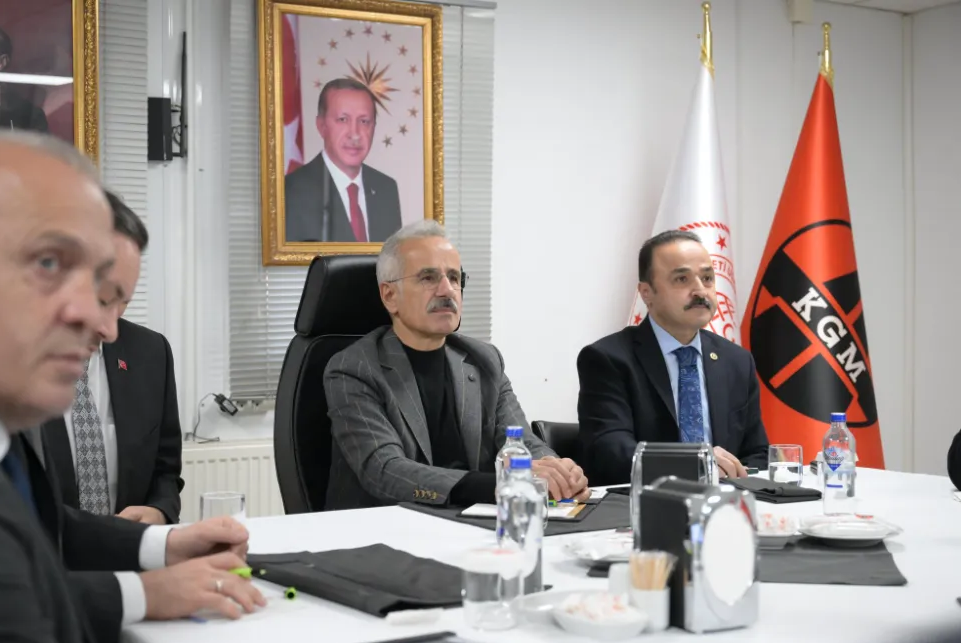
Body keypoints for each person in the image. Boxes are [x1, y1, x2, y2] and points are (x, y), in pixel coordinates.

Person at [0, 131, 263, 643]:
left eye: (103, 289)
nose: (96, 320)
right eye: (48, 263)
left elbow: (29, 560)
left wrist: (159, 549)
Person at [324, 221, 589, 510]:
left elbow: (521, 442)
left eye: (454, 277)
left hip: (471, 521)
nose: (447, 290)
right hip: (385, 524)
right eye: (428, 278)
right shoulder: (354, 369)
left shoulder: (484, 360)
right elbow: (385, 470)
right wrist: (500, 485)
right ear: (389, 296)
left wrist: (555, 470)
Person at [576, 230, 769, 486]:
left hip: (725, 502)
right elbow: (610, 453)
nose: (700, 291)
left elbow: (757, 454)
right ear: (647, 293)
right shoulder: (608, 359)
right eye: (682, 279)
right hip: (645, 503)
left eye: (707, 278)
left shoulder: (737, 361)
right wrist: (693, 465)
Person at [41, 191, 184, 524]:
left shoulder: (151, 353)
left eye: (123, 303)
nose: (110, 329)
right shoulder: (2, 373)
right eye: (103, 300)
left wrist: (160, 512)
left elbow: (165, 470)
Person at [284, 77, 401, 243]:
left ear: (373, 127)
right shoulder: (291, 192)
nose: (355, 134)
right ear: (321, 126)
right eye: (343, 120)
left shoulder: (386, 189)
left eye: (364, 121)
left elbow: (393, 258)